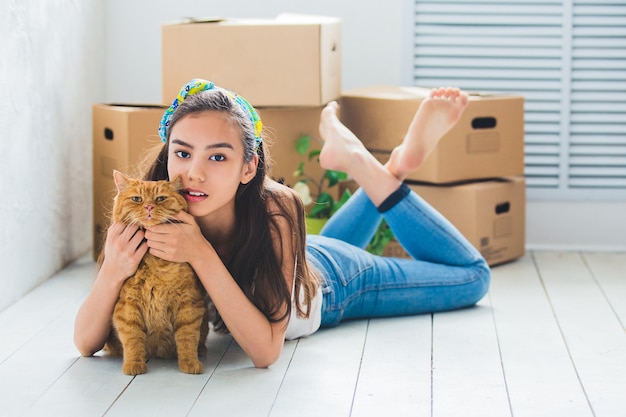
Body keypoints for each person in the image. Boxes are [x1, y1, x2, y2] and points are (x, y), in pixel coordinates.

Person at [74, 79, 490, 368]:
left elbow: (266, 352)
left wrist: (198, 252)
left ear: (247, 167)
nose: (195, 173)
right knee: (305, 254)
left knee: (473, 277)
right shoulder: (150, 207)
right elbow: (84, 343)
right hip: (297, 264)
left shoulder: (277, 209)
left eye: (217, 157)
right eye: (183, 153)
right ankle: (394, 167)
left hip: (337, 284)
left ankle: (363, 164)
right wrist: (113, 269)